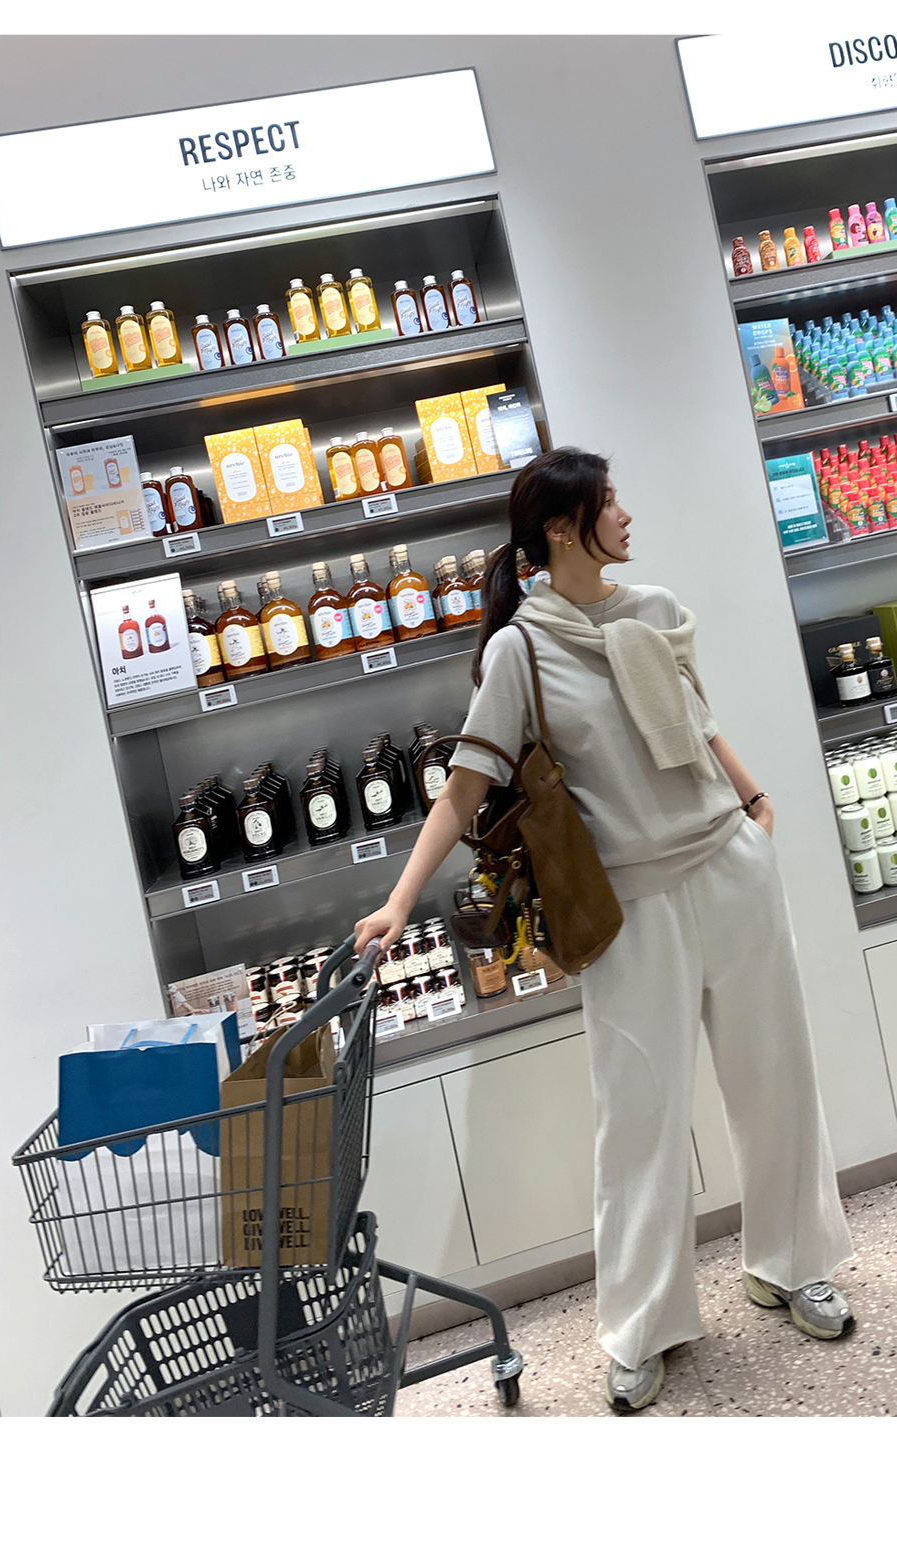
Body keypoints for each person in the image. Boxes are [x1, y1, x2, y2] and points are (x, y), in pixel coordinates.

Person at [355, 449, 854, 1411]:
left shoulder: (656, 609)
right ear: (560, 528)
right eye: (608, 502)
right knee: (638, 1119)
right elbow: (465, 788)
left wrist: (755, 801)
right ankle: (643, 1324)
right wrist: (400, 900)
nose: (625, 515)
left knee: (777, 1080)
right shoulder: (521, 650)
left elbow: (699, 723)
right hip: (630, 907)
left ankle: (793, 1264)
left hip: (729, 869)